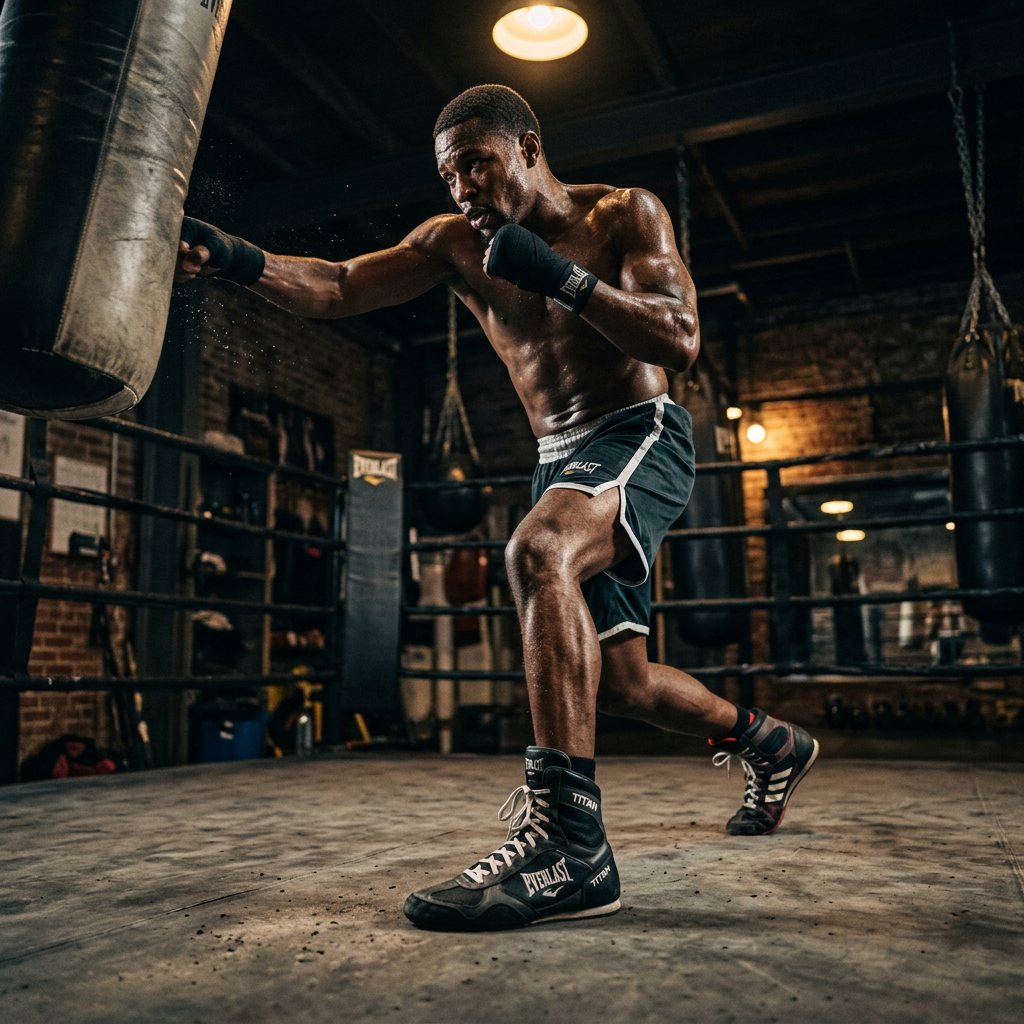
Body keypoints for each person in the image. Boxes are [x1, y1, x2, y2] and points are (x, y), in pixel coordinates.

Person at [176, 84, 819, 931]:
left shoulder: (624, 215)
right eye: (449, 177)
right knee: (620, 683)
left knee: (535, 552)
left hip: (638, 431)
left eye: (476, 164)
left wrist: (565, 279)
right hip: (561, 460)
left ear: (527, 146)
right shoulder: (452, 243)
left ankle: (569, 844)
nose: (463, 190)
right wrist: (232, 257)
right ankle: (771, 742)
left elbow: (680, 338)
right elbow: (339, 285)